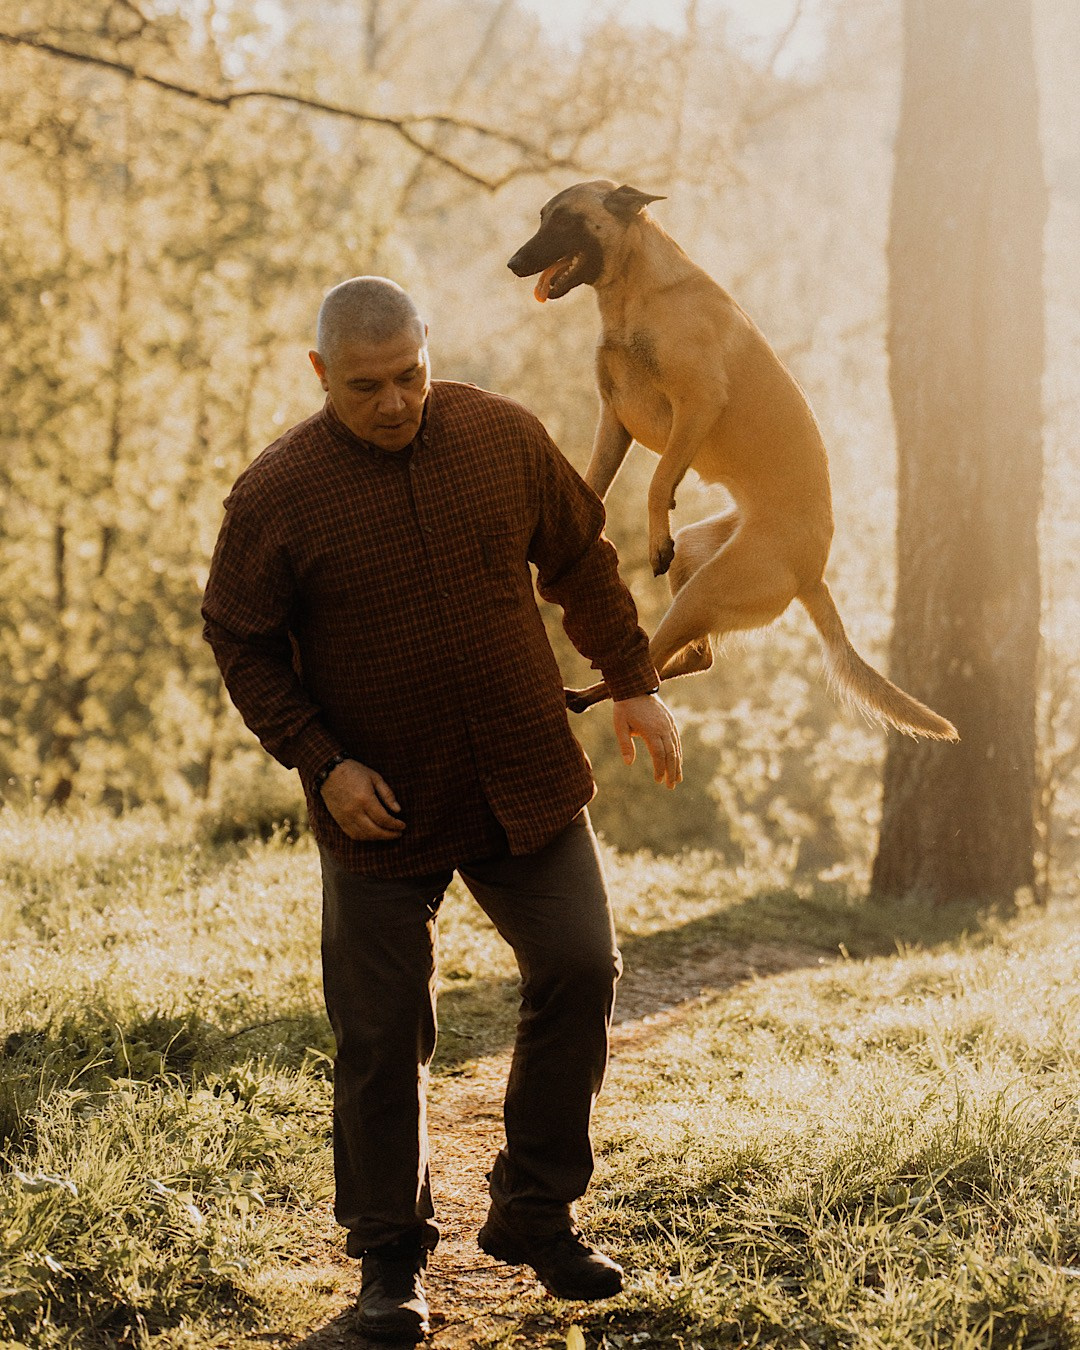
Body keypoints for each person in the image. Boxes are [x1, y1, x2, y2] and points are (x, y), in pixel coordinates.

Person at [202, 276, 682, 1342]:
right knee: (381, 1033)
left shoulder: (500, 436)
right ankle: (389, 1263)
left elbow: (580, 556)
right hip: (378, 803)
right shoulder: (276, 494)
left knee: (580, 966)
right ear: (321, 373)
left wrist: (633, 680)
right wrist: (324, 763)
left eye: (410, 375)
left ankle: (534, 1209)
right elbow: (239, 638)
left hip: (523, 771)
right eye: (365, 386)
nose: (394, 402)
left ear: (429, 350)